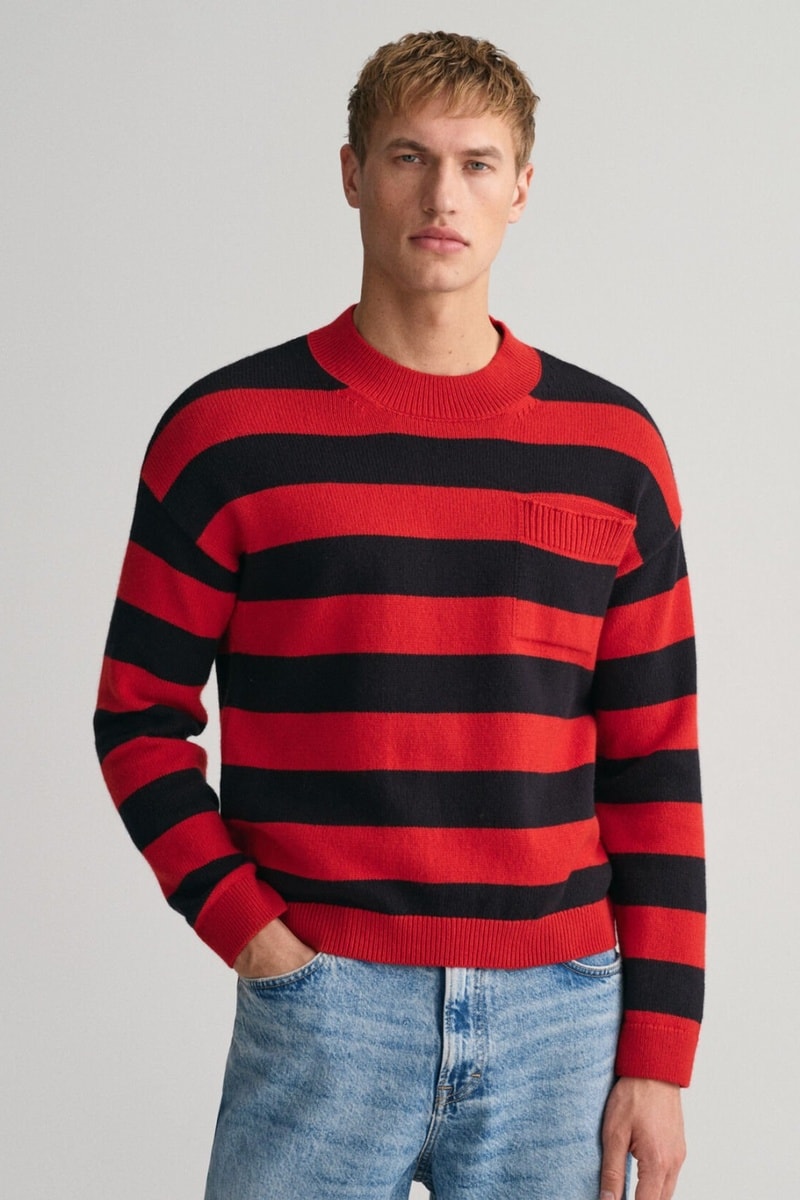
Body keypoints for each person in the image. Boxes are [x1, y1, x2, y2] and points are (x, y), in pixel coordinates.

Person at [94, 30, 704, 1200]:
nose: (441, 196)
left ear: (521, 188)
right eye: (407, 157)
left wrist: (659, 1058)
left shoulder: (612, 450)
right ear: (351, 173)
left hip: (561, 1021)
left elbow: (653, 760)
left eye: (477, 163)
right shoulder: (225, 435)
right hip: (323, 1004)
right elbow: (137, 721)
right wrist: (259, 941)